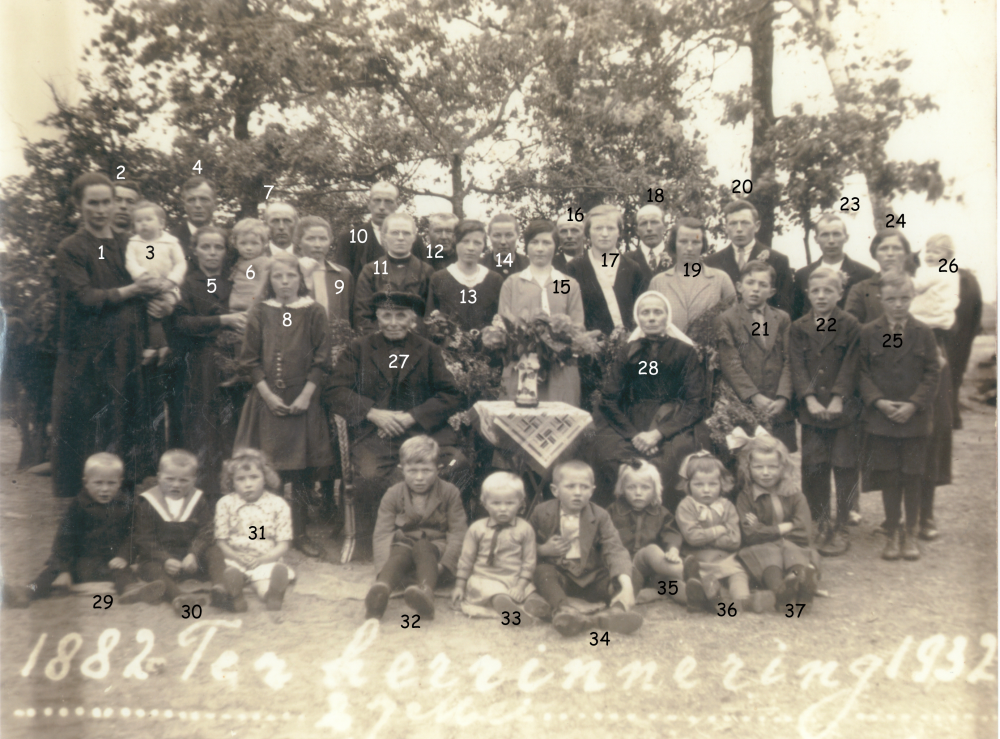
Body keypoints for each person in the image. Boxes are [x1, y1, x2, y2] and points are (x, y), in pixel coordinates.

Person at [325, 291, 468, 552]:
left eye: (400, 315)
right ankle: (379, 543)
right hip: (375, 437)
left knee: (457, 463)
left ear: (412, 320)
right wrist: (372, 412)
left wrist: (413, 415)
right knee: (369, 476)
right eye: (386, 315)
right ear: (377, 317)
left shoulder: (428, 350)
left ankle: (437, 538)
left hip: (424, 435)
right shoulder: (358, 349)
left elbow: (452, 395)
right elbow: (335, 391)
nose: (392, 322)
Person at [51, 172, 160, 499]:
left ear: (116, 203)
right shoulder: (71, 248)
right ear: (78, 205)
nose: (100, 210)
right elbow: (84, 298)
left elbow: (154, 281)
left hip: (128, 351)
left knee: (126, 424)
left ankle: (124, 505)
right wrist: (131, 290)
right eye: (92, 203)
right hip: (88, 356)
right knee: (92, 427)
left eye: (106, 202)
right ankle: (89, 507)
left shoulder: (130, 244)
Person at [846, 231, 949, 539]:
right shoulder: (863, 290)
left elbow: (947, 323)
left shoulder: (927, 283)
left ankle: (922, 518)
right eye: (883, 248)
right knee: (888, 459)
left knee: (923, 451)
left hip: (920, 384)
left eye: (897, 248)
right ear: (875, 253)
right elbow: (853, 337)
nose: (890, 253)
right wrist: (876, 399)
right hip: (881, 389)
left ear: (907, 253)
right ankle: (892, 521)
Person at [234, 252, 334, 558]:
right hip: (267, 400)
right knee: (269, 468)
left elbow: (322, 358)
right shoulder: (260, 311)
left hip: (304, 399)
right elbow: (249, 360)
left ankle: (300, 532)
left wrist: (305, 395)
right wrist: (266, 394)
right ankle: (265, 531)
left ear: (300, 280)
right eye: (278, 276)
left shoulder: (314, 311)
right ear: (270, 280)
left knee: (302, 470)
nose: (285, 282)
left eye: (290, 276)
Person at [589, 291, 706, 509]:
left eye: (657, 312)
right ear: (638, 318)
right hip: (630, 421)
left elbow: (695, 402)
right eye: (645, 312)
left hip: (671, 422)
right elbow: (609, 399)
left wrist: (658, 434)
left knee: (671, 458)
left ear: (667, 317)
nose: (651, 318)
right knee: (609, 454)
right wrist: (635, 436)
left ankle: (662, 518)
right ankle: (621, 517)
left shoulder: (685, 351)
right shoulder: (627, 351)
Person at [857, 270, 940, 561]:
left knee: (912, 476)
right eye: (891, 299)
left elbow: (932, 372)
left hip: (914, 420)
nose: (898, 305)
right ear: (881, 299)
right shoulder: (868, 332)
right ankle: (892, 532)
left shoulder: (924, 332)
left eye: (904, 298)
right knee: (890, 476)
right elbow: (863, 372)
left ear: (913, 297)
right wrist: (878, 402)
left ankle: (911, 533)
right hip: (882, 421)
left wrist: (914, 404)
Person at [7, 453, 162, 608]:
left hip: (110, 561)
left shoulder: (127, 505)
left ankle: (131, 591)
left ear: (120, 483)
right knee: (51, 572)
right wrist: (65, 569)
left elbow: (133, 534)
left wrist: (123, 556)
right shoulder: (78, 505)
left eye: (111, 483)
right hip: (81, 561)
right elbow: (65, 538)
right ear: (86, 483)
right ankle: (27, 591)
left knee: (123, 572)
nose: (105, 489)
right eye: (98, 483)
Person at [789, 268, 862, 557]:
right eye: (815, 290)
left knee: (844, 465)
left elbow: (851, 364)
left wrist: (837, 398)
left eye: (828, 291)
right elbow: (797, 365)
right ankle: (818, 521)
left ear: (839, 294)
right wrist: (809, 399)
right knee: (814, 465)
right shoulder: (798, 327)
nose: (821, 296)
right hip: (812, 411)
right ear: (808, 293)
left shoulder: (851, 324)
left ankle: (842, 524)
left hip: (843, 410)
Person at [172, 226, 248, 499]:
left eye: (218, 247)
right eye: (206, 247)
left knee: (234, 430)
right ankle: (206, 500)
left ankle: (235, 498)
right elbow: (181, 323)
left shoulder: (235, 282)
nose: (213, 253)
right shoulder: (188, 284)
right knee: (204, 430)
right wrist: (221, 321)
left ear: (226, 252)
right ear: (195, 251)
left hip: (236, 362)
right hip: (201, 367)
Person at [530, 460, 642, 637]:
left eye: (584, 487)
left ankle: (615, 612)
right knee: (542, 572)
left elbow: (615, 549)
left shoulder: (600, 515)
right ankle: (563, 609)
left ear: (592, 490)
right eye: (570, 486)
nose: (577, 493)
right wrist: (543, 549)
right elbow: (526, 544)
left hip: (592, 579)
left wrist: (627, 587)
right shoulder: (541, 511)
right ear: (555, 490)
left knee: (632, 574)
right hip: (562, 578)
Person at [365, 436, 468, 621]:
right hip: (401, 563)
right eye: (412, 471)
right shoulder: (393, 494)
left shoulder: (449, 492)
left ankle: (425, 594)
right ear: (401, 470)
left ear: (438, 469)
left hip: (435, 561)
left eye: (426, 471)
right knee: (400, 550)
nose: (419, 478)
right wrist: (382, 568)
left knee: (423, 547)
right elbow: (382, 533)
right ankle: (381, 592)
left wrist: (445, 566)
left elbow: (458, 532)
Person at [498, 219, 584, 405]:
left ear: (556, 247)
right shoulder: (513, 283)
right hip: (521, 365)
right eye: (534, 242)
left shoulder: (568, 283)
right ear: (526, 246)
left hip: (560, 368)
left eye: (546, 242)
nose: (540, 248)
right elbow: (504, 328)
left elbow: (577, 327)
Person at [733, 430, 819, 612]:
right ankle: (781, 592)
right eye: (758, 467)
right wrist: (782, 528)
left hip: (793, 546)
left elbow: (803, 531)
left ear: (783, 467)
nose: (765, 473)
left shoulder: (795, 494)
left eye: (772, 467)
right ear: (748, 468)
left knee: (792, 552)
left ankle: (803, 587)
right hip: (761, 550)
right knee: (769, 555)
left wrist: (764, 529)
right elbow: (750, 534)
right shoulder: (745, 497)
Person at [715, 260, 796, 452]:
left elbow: (790, 360)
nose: (755, 289)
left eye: (763, 285)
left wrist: (783, 397)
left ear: (772, 291)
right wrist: (755, 397)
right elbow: (731, 364)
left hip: (778, 407)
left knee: (779, 459)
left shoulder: (782, 318)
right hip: (745, 406)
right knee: (747, 460)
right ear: (739, 287)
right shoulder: (727, 319)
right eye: (750, 283)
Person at [134, 449, 225, 617]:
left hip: (190, 560)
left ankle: (220, 589)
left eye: (183, 480)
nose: (176, 485)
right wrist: (165, 558)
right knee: (150, 568)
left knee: (215, 551)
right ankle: (177, 597)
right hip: (161, 559)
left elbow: (206, 530)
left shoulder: (198, 500)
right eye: (170, 479)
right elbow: (144, 539)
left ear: (193, 481)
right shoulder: (147, 503)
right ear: (159, 477)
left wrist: (193, 554)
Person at [451, 472, 550, 618]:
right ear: (484, 503)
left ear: (521, 503)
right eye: (496, 503)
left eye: (510, 503)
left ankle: (534, 604)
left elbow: (529, 562)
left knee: (530, 592)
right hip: (485, 578)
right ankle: (506, 607)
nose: (503, 508)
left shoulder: (525, 529)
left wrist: (521, 586)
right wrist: (459, 586)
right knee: (492, 592)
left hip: (515, 578)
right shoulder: (477, 529)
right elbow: (466, 560)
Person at [214, 448, 295, 612]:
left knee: (263, 581)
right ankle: (236, 597)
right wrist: (237, 557)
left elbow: (283, 544)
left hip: (266, 559)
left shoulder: (278, 504)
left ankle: (271, 595)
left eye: (254, 477)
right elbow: (221, 542)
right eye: (240, 479)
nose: (248, 484)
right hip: (235, 559)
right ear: (232, 481)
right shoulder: (225, 503)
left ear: (265, 478)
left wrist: (263, 559)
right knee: (229, 574)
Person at [674, 452, 755, 614]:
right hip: (697, 559)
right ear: (688, 485)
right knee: (692, 581)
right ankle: (712, 599)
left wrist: (706, 537)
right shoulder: (686, 506)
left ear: (722, 484)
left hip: (725, 558)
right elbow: (692, 538)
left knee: (738, 574)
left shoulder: (727, 506)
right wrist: (719, 530)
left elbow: (734, 540)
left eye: (712, 485)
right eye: (698, 485)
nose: (706, 490)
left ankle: (742, 601)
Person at [606, 460, 686, 605]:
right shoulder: (612, 511)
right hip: (626, 568)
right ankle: (677, 572)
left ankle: (694, 597)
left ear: (655, 490)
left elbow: (671, 533)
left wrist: (673, 551)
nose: (638, 493)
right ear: (622, 489)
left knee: (671, 584)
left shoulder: (661, 513)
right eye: (631, 487)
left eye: (645, 488)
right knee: (649, 552)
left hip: (653, 571)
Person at [565, 204, 646, 335]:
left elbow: (642, 311)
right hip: (589, 347)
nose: (604, 234)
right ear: (588, 232)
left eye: (610, 228)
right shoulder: (574, 268)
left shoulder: (633, 268)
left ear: (619, 232)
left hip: (628, 347)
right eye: (598, 228)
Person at [125, 201, 188, 366]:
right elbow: (130, 262)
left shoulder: (171, 242)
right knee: (148, 314)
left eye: (148, 219)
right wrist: (142, 276)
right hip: (145, 285)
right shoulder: (133, 243)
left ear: (161, 223)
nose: (143, 224)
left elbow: (180, 263)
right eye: (139, 221)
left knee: (163, 309)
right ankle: (156, 346)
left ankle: (163, 347)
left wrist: (171, 280)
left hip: (167, 285)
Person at [648, 217, 737, 333]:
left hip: (710, 349)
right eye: (683, 241)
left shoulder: (721, 279)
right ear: (674, 244)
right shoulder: (658, 282)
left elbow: (735, 324)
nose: (689, 248)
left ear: (703, 245)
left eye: (695, 242)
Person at [705, 199, 794, 313]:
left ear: (756, 226)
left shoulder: (777, 260)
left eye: (745, 223)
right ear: (726, 227)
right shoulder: (711, 262)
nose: (739, 229)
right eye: (733, 223)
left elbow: (785, 308)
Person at [353, 212, 434, 334]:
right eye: (395, 232)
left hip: (417, 343)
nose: (400, 238)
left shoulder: (426, 271)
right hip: (379, 342)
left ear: (414, 237)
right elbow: (362, 315)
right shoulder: (371, 270)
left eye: (406, 233)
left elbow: (430, 315)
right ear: (384, 236)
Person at [791, 214, 875, 320]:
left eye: (836, 234)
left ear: (846, 238)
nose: (831, 240)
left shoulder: (865, 274)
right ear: (816, 239)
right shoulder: (802, 275)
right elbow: (796, 316)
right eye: (825, 235)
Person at [426, 219, 504, 331]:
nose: (471, 248)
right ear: (455, 243)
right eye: (465, 241)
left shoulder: (495, 280)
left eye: (477, 242)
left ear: (484, 246)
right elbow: (430, 321)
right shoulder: (439, 278)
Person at [336, 181, 416, 277]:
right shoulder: (349, 238)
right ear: (369, 204)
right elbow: (342, 280)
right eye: (377, 200)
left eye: (388, 201)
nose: (382, 207)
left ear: (396, 205)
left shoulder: (413, 239)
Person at [296, 215, 354, 325]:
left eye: (323, 239)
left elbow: (349, 313)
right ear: (299, 241)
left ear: (330, 241)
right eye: (311, 238)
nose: (318, 245)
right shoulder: (290, 273)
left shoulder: (342, 275)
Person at [947, 260, 984, 428]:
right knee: (956, 371)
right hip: (965, 333)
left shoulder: (951, 278)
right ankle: (954, 416)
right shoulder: (969, 279)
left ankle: (950, 416)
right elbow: (977, 315)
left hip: (951, 330)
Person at [228, 219, 273, 313]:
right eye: (243, 243)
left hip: (252, 307)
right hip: (235, 307)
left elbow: (263, 286)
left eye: (254, 243)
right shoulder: (239, 261)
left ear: (264, 244)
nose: (248, 248)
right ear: (235, 244)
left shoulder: (263, 262)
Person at [174, 176, 219, 261]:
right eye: (191, 200)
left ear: (214, 204)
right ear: (184, 205)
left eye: (204, 199)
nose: (197, 205)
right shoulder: (171, 239)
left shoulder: (228, 240)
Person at [628, 204, 671, 283]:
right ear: (637, 230)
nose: (649, 228)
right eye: (643, 223)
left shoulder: (677, 259)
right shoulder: (626, 260)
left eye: (654, 222)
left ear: (664, 227)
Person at [485, 213, 528, 278]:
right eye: (497, 235)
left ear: (517, 236)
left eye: (509, 235)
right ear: (489, 236)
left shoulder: (528, 267)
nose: (503, 242)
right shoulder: (479, 267)